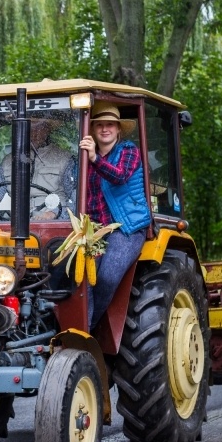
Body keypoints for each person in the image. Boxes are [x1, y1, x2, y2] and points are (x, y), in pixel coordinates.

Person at [78, 101, 151, 329]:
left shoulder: (128, 151)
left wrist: (94, 159)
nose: (105, 129)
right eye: (99, 124)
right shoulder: (82, 158)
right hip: (94, 230)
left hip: (125, 227)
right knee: (81, 277)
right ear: (92, 130)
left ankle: (92, 327)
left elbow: (119, 176)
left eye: (110, 124)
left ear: (119, 129)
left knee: (108, 276)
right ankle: (83, 330)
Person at [0, 119, 75, 220]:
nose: (34, 134)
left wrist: (54, 214)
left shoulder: (65, 159)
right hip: (13, 223)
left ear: (47, 130)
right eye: (29, 128)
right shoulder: (8, 161)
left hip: (52, 226)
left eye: (39, 128)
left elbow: (75, 199)